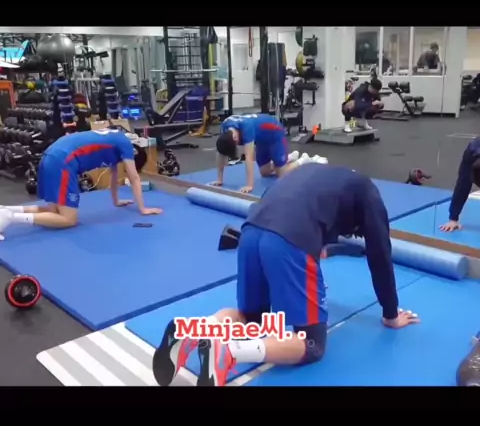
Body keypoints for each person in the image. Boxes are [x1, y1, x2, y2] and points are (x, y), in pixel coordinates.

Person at [153, 164, 420, 387]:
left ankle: (190, 331)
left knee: (253, 320)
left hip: (251, 229)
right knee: (312, 344)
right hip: (290, 239)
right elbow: (380, 254)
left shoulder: (316, 175)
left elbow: (287, 210)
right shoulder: (370, 195)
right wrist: (390, 313)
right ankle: (230, 352)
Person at [0, 128, 162, 239]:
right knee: (69, 219)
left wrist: (116, 201)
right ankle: (11, 217)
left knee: (55, 212)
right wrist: (143, 209)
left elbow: (114, 176)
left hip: (52, 155)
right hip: (62, 161)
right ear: (134, 154)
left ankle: (6, 210)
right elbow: (134, 178)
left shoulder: (116, 141)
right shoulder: (126, 146)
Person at [212, 112, 322, 194]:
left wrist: (249, 185)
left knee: (281, 174)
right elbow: (220, 152)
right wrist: (219, 180)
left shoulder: (247, 129)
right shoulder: (225, 127)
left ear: (235, 138)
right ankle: (287, 158)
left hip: (274, 133)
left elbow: (249, 157)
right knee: (265, 172)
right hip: (261, 138)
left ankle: (304, 160)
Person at [440, 137, 480, 232]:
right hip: (473, 155)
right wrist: (453, 218)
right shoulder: (471, 153)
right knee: (463, 183)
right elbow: (462, 186)